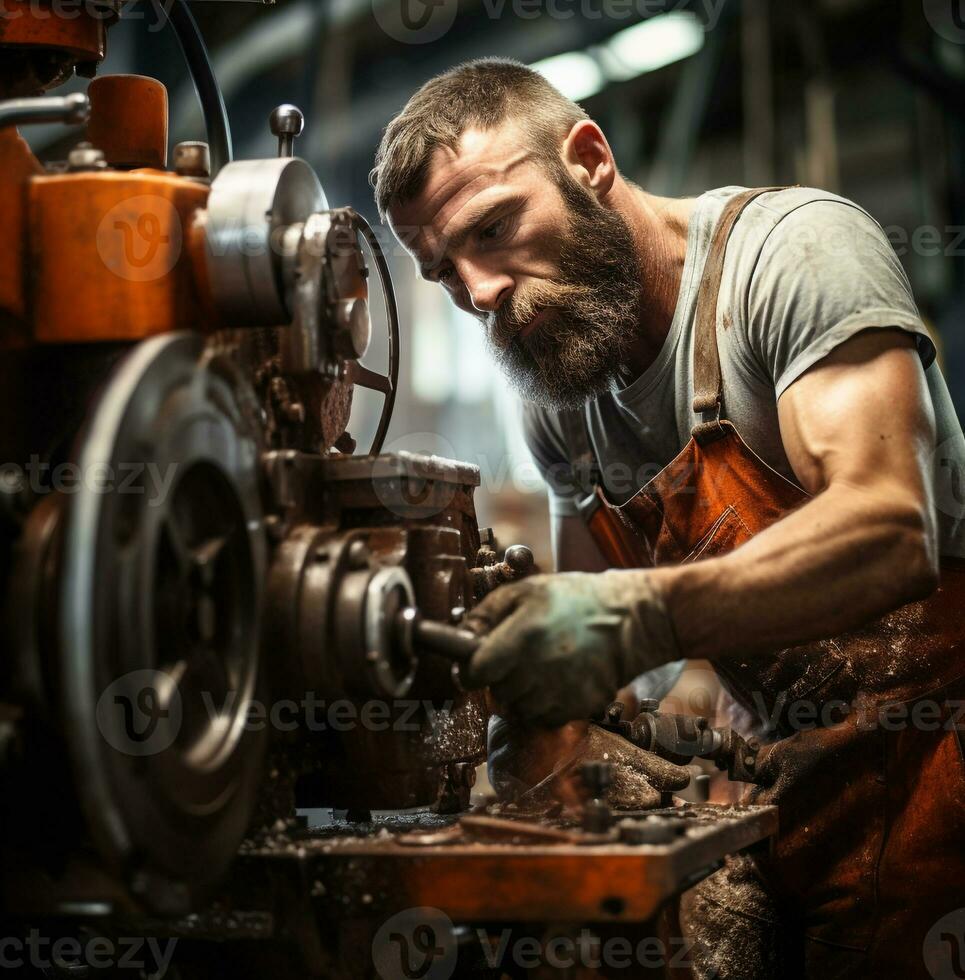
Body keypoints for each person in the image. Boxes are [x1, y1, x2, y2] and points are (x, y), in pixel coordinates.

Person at [370, 57, 965, 979]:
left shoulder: (791, 256)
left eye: (493, 228)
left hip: (945, 770)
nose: (479, 292)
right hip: (793, 783)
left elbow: (891, 528)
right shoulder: (562, 397)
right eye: (444, 272)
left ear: (589, 160)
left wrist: (637, 616)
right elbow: (597, 668)